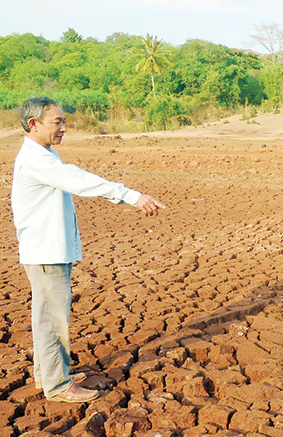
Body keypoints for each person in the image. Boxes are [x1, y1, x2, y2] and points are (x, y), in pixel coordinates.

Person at [11, 96, 166, 403]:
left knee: (47, 316)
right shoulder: (36, 159)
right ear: (34, 124)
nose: (64, 128)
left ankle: (50, 375)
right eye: (58, 122)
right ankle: (56, 385)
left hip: (48, 249)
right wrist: (131, 196)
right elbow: (79, 181)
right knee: (52, 318)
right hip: (46, 251)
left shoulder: (45, 154)